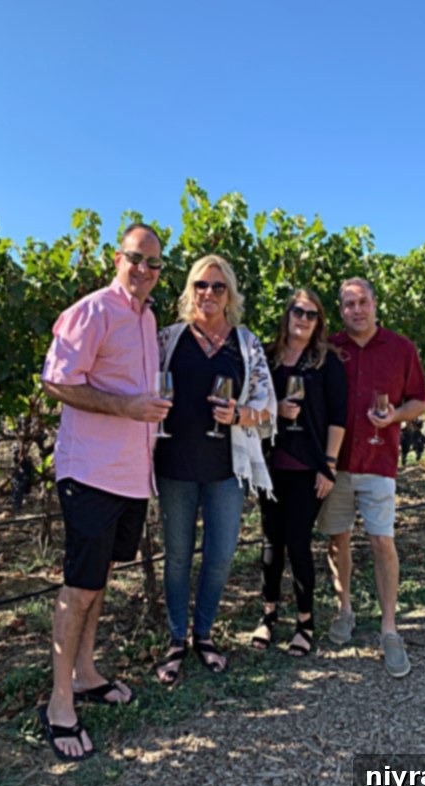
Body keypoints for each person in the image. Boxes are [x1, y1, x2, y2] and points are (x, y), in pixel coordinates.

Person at [39, 223, 172, 761]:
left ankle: (86, 673)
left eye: (153, 263)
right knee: (79, 586)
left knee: (99, 579)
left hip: (130, 475)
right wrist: (126, 408)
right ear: (117, 259)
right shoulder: (93, 310)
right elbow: (56, 380)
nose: (144, 270)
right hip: (90, 472)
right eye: (135, 258)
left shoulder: (147, 317)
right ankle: (59, 703)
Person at [154, 254, 276, 685]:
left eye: (218, 286)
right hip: (174, 465)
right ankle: (176, 639)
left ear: (230, 295)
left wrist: (240, 415)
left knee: (221, 555)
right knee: (177, 557)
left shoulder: (246, 343)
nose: (208, 293)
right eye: (201, 285)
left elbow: (267, 404)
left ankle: (203, 635)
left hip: (226, 467)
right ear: (190, 290)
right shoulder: (167, 338)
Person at [317, 277, 425, 678]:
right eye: (349, 304)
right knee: (338, 538)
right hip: (336, 463)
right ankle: (344, 608)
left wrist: (396, 415)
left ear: (374, 303)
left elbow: (420, 400)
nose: (357, 310)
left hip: (380, 462)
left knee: (382, 541)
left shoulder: (401, 348)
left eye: (362, 302)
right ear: (341, 310)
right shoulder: (329, 347)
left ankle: (389, 629)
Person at [251, 289, 347, 656]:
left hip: (309, 468)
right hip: (271, 465)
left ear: (319, 321)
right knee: (270, 542)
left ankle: (305, 622)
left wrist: (329, 466)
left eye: (311, 314)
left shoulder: (327, 361)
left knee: (298, 541)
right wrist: (276, 408)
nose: (303, 319)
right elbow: (253, 403)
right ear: (287, 314)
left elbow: (338, 418)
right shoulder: (267, 358)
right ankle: (268, 614)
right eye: (298, 311)